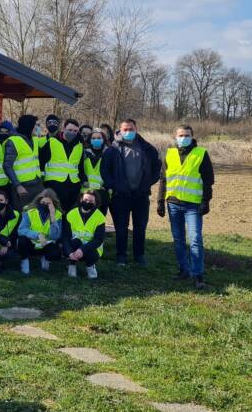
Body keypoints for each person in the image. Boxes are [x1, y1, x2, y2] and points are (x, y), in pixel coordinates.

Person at [156, 124, 214, 289]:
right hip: (173, 204)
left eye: (187, 135)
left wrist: (206, 201)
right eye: (180, 135)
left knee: (195, 239)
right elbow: (163, 179)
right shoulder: (170, 153)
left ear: (192, 136)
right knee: (179, 240)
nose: (183, 138)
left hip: (193, 205)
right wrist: (160, 201)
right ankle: (184, 270)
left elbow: (208, 180)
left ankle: (198, 275)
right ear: (175, 137)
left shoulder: (201, 154)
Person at [101, 118, 161, 266]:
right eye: (125, 130)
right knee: (121, 227)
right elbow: (104, 170)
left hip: (141, 195)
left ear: (136, 129)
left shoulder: (148, 148)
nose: (128, 132)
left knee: (140, 227)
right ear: (120, 131)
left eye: (131, 129)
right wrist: (113, 186)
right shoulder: (112, 149)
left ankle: (139, 255)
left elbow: (157, 168)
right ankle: (121, 256)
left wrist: (147, 183)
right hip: (120, 196)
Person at [2, 114, 45, 210]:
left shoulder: (34, 139)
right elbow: (7, 166)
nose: (38, 128)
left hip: (37, 184)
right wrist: (17, 186)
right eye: (36, 125)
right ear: (29, 126)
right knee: (23, 216)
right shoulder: (13, 141)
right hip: (23, 187)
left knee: (36, 215)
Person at [16, 188, 63, 274]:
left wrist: (53, 217)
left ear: (53, 204)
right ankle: (25, 261)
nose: (45, 205)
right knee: (21, 240)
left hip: (46, 244)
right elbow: (21, 230)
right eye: (43, 203)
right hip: (31, 243)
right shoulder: (29, 212)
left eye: (48, 203)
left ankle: (44, 257)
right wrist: (38, 235)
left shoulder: (58, 214)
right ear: (39, 201)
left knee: (56, 252)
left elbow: (56, 236)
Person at [42, 118, 83, 212]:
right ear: (64, 129)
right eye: (70, 130)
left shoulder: (79, 146)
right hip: (54, 187)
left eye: (75, 131)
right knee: (53, 215)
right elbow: (41, 162)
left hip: (73, 188)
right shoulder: (52, 142)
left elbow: (80, 167)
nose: (72, 133)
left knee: (68, 217)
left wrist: (81, 183)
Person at [63, 189, 106, 279]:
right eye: (85, 199)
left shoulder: (100, 217)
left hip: (91, 247)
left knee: (92, 255)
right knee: (73, 244)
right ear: (81, 199)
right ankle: (72, 264)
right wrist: (69, 252)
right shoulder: (71, 214)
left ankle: (90, 266)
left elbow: (99, 240)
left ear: (95, 203)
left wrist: (82, 249)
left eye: (90, 201)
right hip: (74, 245)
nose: (87, 202)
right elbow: (65, 236)